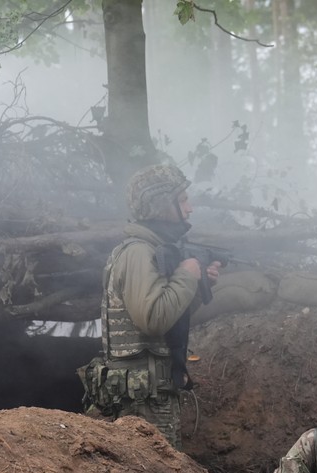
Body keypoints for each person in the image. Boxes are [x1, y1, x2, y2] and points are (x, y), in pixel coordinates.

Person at [78, 164, 220, 449]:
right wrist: (186, 275)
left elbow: (168, 316)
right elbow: (152, 319)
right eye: (182, 200)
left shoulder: (150, 249)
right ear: (160, 206)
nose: (190, 209)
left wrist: (194, 286)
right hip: (142, 402)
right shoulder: (139, 252)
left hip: (151, 395)